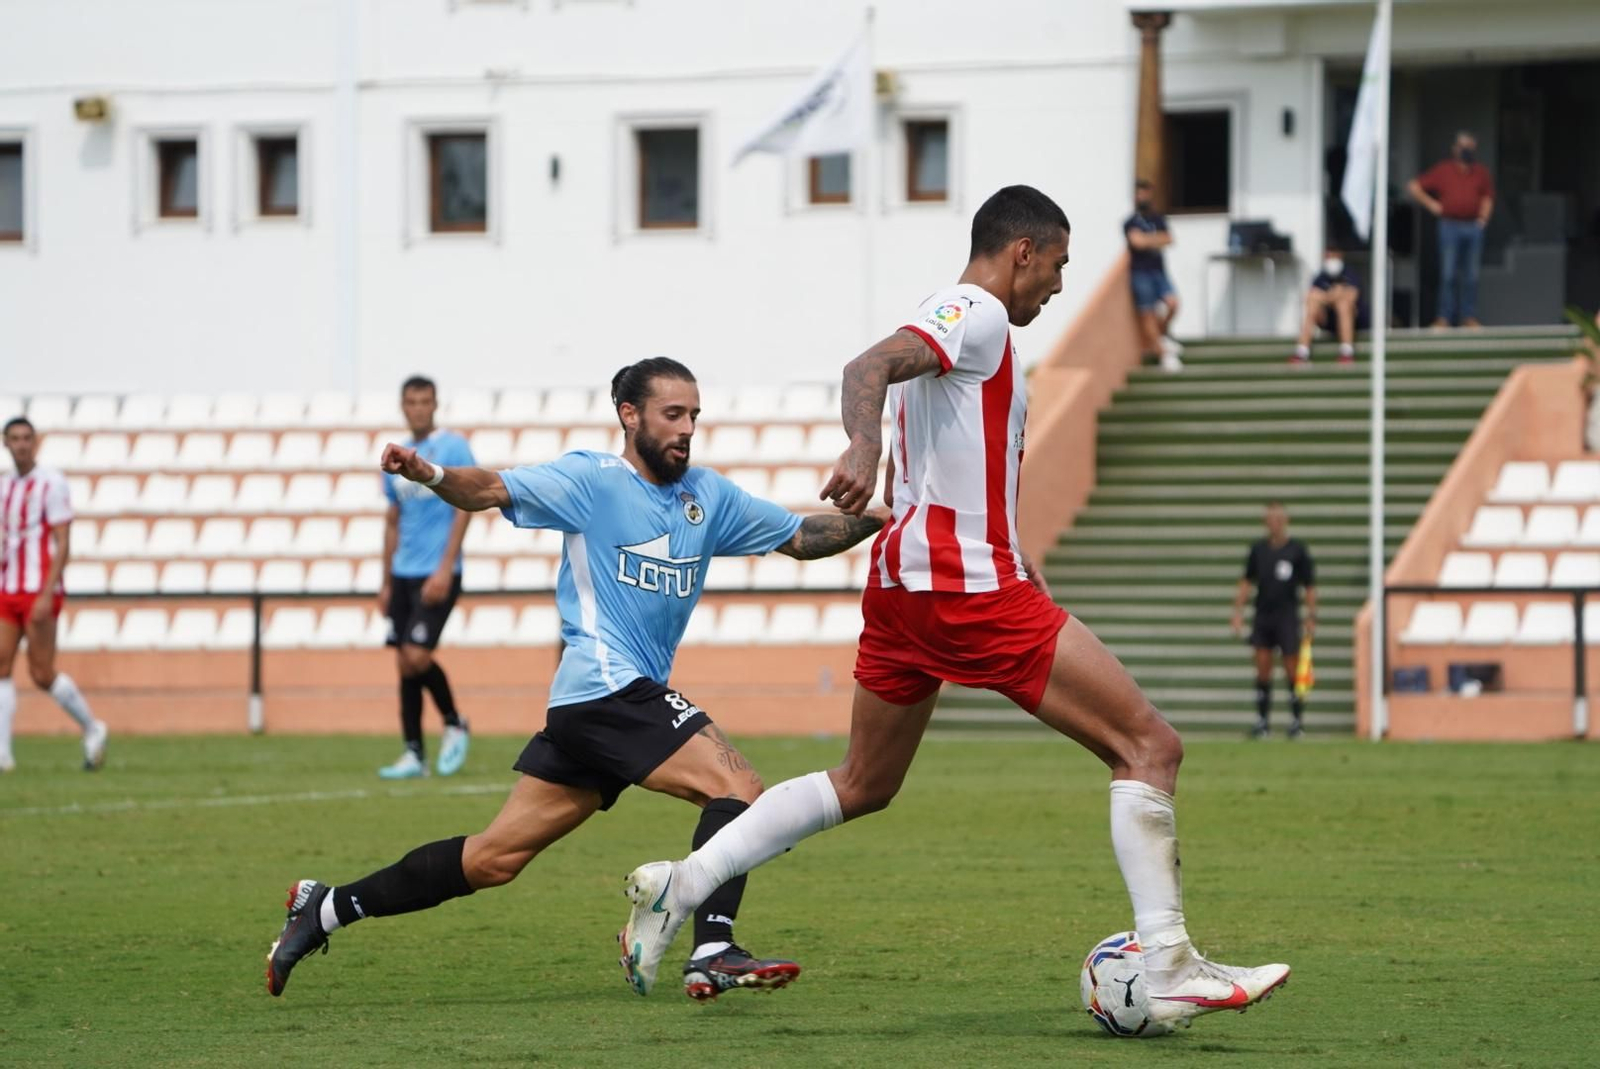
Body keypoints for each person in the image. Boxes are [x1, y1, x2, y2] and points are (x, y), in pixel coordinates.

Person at [617, 186, 1290, 1033]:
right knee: (1149, 745)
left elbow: (948, 467)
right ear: (1022, 251)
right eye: (1057, 265)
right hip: (962, 588)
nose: (1058, 285)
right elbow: (864, 367)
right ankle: (1168, 962)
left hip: (908, 587)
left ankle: (682, 885)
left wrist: (1012, 544)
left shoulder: (963, 329)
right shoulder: (976, 311)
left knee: (864, 782)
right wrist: (862, 447)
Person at [265, 358, 887, 1002]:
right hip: (606, 687)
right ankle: (712, 949)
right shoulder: (593, 480)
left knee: (493, 859)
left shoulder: (708, 496)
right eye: (673, 414)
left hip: (599, 707)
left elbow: (801, 536)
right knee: (737, 787)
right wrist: (433, 475)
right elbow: (489, 488)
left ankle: (325, 907)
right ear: (630, 415)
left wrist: (883, 518)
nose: (686, 428)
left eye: (694, 416)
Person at [376, 376, 474, 779]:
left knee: (416, 656)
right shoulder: (395, 456)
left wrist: (445, 567)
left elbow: (465, 506)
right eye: (411, 401)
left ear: (435, 405)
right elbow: (393, 519)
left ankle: (454, 721)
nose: (418, 408)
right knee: (404, 663)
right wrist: (385, 581)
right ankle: (414, 753)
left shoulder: (453, 447)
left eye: (424, 401)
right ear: (403, 406)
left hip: (437, 572)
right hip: (402, 572)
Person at [0, 417, 108, 773]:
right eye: (15, 438)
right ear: (5, 442)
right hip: (8, 587)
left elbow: (63, 542)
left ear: (36, 442)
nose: (21, 444)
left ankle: (92, 728)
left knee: (42, 673)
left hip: (39, 588)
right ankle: (3, 754)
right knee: (1, 665)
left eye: (26, 438)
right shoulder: (4, 486)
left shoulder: (52, 483)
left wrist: (48, 592)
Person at [1231, 503, 1317, 740]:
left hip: (1287, 617)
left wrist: (1311, 616)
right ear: (1265, 523)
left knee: (1292, 669)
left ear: (1286, 521)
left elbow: (1309, 586)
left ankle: (1297, 722)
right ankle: (1262, 722)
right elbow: (1246, 582)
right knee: (1262, 668)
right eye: (1271, 519)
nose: (1275, 524)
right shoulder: (1258, 550)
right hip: (1263, 616)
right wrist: (1237, 612)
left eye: (1279, 519)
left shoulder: (1297, 551)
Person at [1408, 131, 1495, 330]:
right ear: (1455, 148)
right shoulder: (1443, 170)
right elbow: (1414, 186)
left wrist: (1483, 219)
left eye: (1470, 147)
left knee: (1471, 276)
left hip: (1473, 227)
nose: (1467, 151)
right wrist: (1432, 205)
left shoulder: (1481, 172)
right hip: (1449, 226)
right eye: (1463, 147)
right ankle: (1444, 317)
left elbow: (1488, 196)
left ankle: (1468, 317)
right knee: (1448, 274)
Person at [1125, 178, 1183, 372]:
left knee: (1173, 304)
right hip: (1140, 273)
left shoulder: (1157, 219)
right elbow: (1136, 243)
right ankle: (1163, 355)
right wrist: (1155, 239)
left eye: (1145, 192)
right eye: (1139, 193)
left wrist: (1146, 239)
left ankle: (1162, 335)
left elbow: (1169, 239)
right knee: (1147, 314)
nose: (1142, 197)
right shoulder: (1130, 222)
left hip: (1158, 271)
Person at [1292, 248, 1361, 365]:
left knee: (1343, 305)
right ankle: (1302, 351)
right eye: (1328, 257)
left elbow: (1352, 297)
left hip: (1351, 320)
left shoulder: (1350, 274)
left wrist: (1328, 296)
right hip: (1325, 319)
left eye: (1333, 256)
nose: (1331, 260)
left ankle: (1347, 352)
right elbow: (1310, 296)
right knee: (1313, 302)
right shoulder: (1321, 276)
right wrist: (1333, 295)